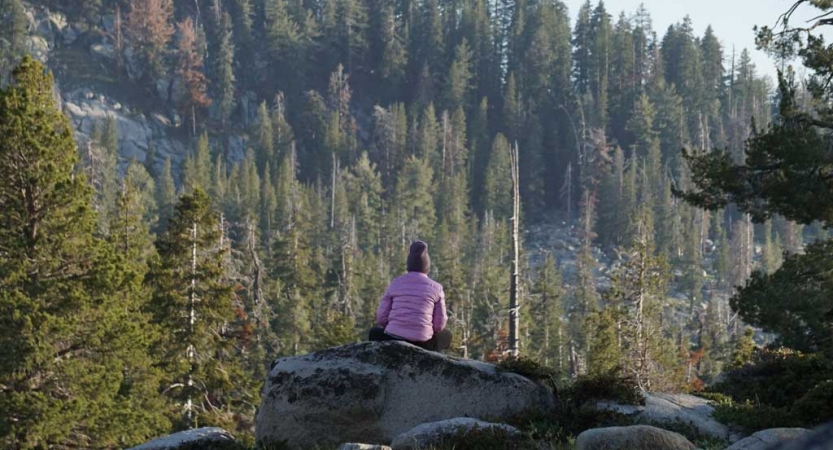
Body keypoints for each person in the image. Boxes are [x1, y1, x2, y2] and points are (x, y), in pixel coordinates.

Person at [369, 241, 452, 352]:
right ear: (427, 266)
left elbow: (381, 318)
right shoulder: (436, 288)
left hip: (393, 339)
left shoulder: (396, 283)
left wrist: (397, 326)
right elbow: (439, 325)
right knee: (446, 335)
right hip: (423, 343)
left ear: (409, 264)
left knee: (374, 332)